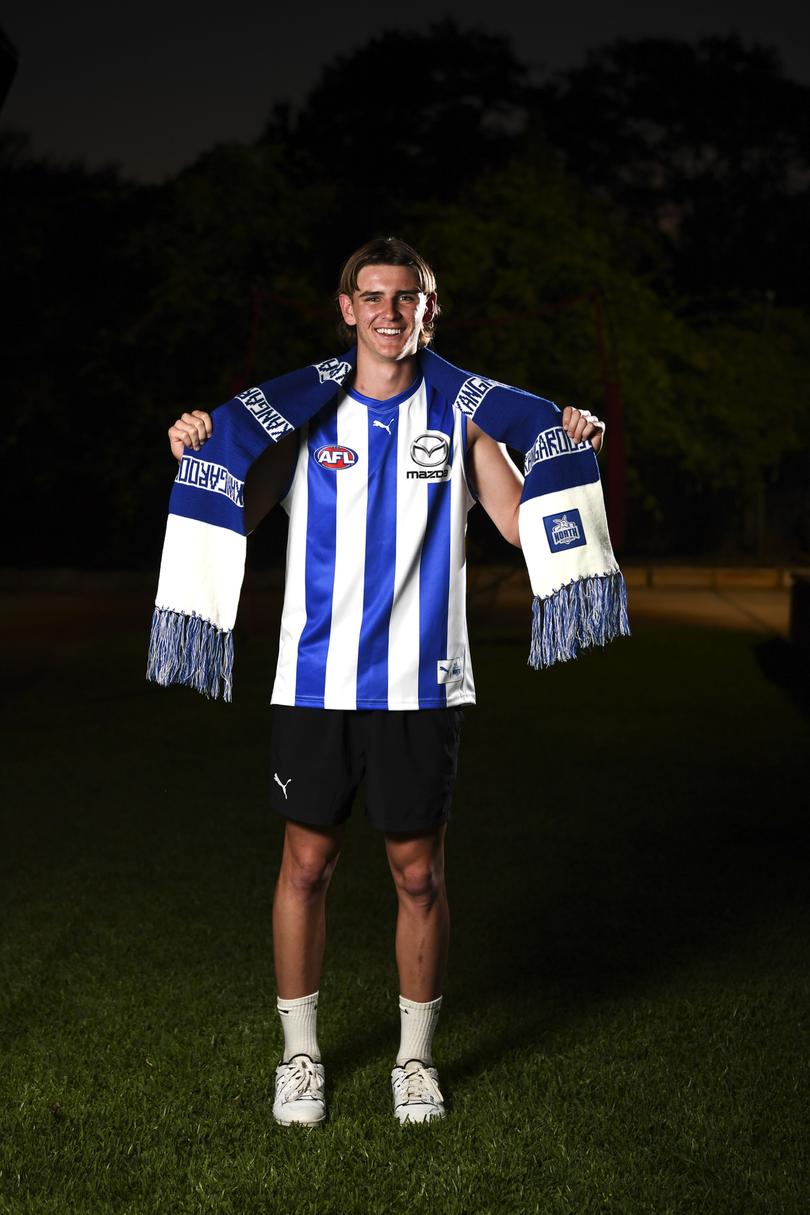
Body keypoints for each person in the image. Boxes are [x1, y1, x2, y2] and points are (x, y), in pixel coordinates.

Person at [167, 237, 604, 1127]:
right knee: (307, 864)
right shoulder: (301, 414)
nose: (390, 312)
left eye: (408, 297)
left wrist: (567, 449)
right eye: (374, 296)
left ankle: (413, 1060)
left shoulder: (466, 415)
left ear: (428, 309)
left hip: (422, 681)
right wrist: (198, 450)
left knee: (418, 875)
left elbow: (520, 528)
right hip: (314, 679)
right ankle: (299, 1057)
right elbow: (242, 510)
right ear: (346, 307)